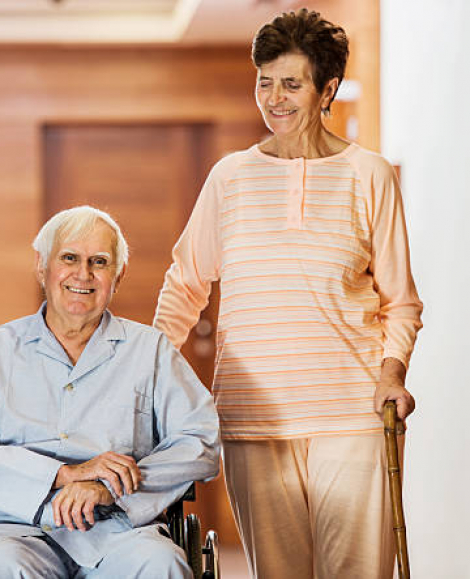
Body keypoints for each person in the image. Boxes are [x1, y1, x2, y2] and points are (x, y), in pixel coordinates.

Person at [154, 9, 423, 578]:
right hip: (254, 422)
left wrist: (392, 371)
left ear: (327, 89)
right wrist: (150, 372)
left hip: (350, 416)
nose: (274, 98)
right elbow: (185, 284)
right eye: (264, 81)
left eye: (291, 84)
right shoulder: (229, 179)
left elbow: (400, 301)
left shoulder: (370, 175)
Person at [0, 206, 220, 578]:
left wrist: (106, 488)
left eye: (99, 261)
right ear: (42, 266)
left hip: (119, 530)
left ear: (119, 274)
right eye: (69, 258)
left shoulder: (150, 351)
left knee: (160, 563)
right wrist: (62, 475)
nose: (83, 274)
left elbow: (201, 441)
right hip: (14, 529)